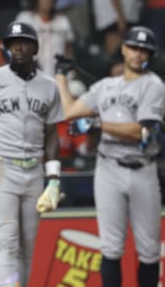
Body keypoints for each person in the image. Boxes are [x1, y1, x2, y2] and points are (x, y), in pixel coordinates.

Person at [54, 26, 165, 287]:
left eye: (144, 50)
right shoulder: (105, 86)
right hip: (109, 168)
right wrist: (60, 75)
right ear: (124, 49)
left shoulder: (154, 85)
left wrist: (97, 125)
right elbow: (70, 110)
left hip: (142, 168)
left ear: (150, 55)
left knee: (149, 248)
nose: (138, 54)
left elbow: (142, 131)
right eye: (134, 48)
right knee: (111, 247)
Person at [0, 21, 64, 287]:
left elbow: (51, 134)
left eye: (23, 42)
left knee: (28, 247)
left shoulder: (49, 86)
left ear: (35, 48)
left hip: (34, 170)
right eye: (13, 43)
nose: (18, 47)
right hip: (1, 167)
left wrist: (55, 179)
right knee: (8, 242)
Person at [15, 0, 75, 76]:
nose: (48, 0)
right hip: (31, 73)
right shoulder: (25, 18)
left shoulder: (62, 20)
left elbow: (68, 50)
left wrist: (70, 72)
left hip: (58, 74)